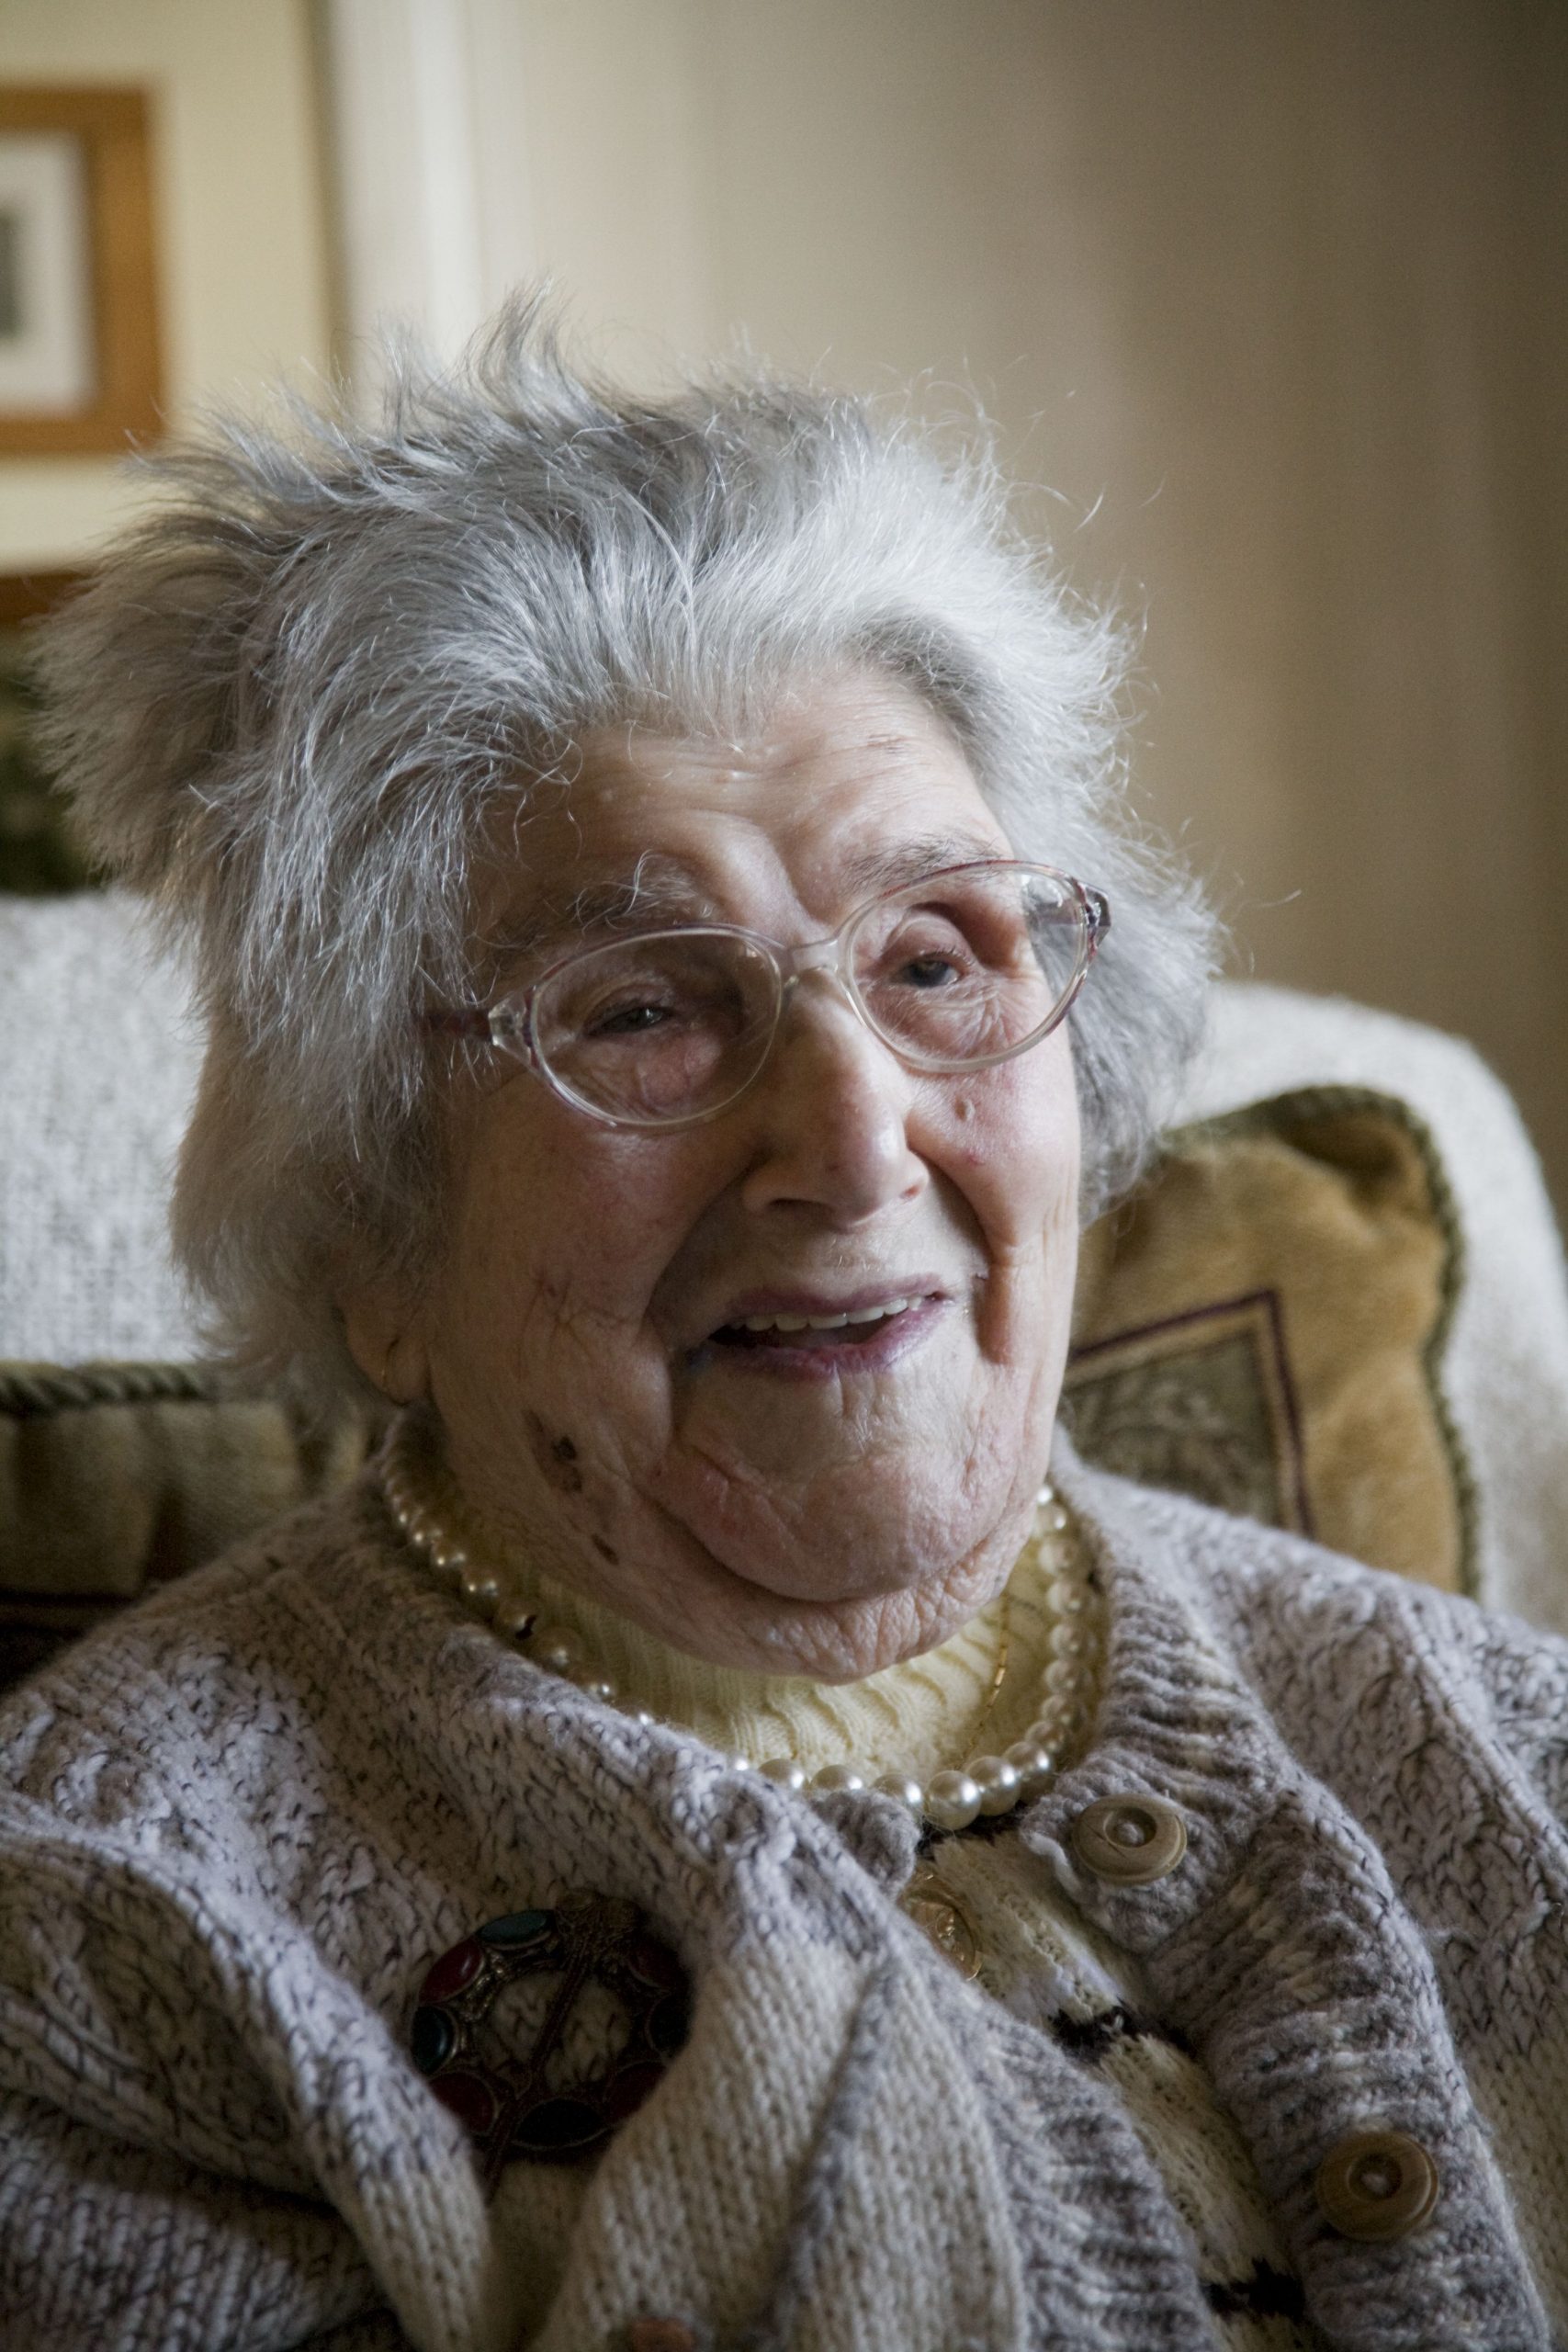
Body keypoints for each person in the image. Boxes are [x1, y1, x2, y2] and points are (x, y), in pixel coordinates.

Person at [3, 303, 1565, 2352]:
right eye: (641, 1004)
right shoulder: (111, 1937)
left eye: (934, 958)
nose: (849, 1140)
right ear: (371, 1228)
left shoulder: (1502, 1750)